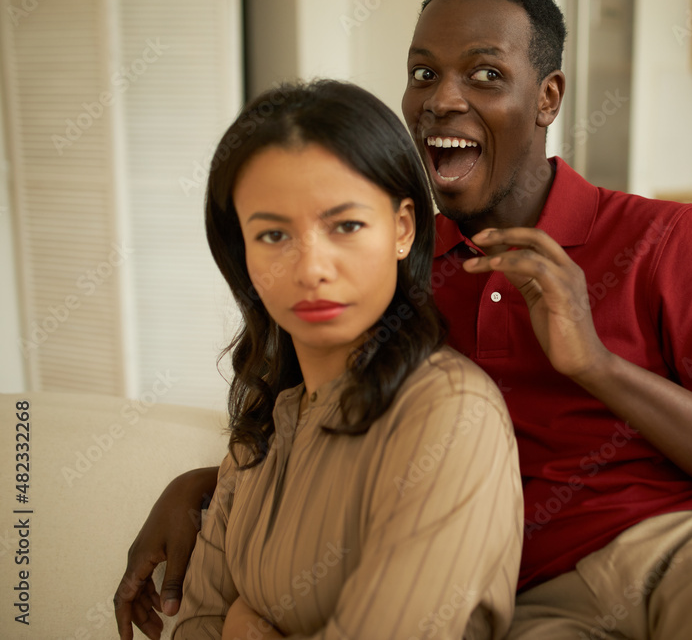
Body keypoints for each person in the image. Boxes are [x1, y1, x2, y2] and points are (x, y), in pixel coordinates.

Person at [117, 0, 692, 638]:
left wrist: (597, 364)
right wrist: (201, 487)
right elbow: (317, 433)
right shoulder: (390, 267)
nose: (442, 98)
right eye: (423, 73)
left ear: (547, 98)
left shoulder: (661, 237)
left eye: (486, 74)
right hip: (530, 599)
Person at [118, 79, 523, 640]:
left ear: (403, 229)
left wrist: (243, 626)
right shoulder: (260, 430)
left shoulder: (452, 414)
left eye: (346, 226)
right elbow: (197, 626)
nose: (311, 268)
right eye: (273, 234)